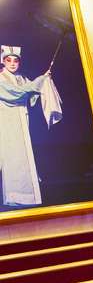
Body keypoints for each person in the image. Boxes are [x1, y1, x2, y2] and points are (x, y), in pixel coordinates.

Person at [0, 45, 62, 207]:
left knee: (23, 155)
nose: (12, 63)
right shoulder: (1, 79)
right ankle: (14, 195)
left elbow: (31, 91)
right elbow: (16, 93)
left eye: (15, 61)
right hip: (7, 122)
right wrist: (40, 81)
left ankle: (25, 197)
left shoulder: (21, 78)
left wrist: (45, 79)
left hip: (21, 119)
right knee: (13, 156)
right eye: (8, 60)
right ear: (3, 62)